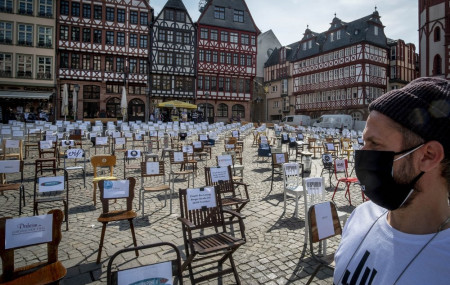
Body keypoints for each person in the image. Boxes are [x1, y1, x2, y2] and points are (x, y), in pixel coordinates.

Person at [333, 77, 450, 284]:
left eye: (375, 144)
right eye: (363, 142)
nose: (362, 154)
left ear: (428, 155)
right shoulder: (360, 217)